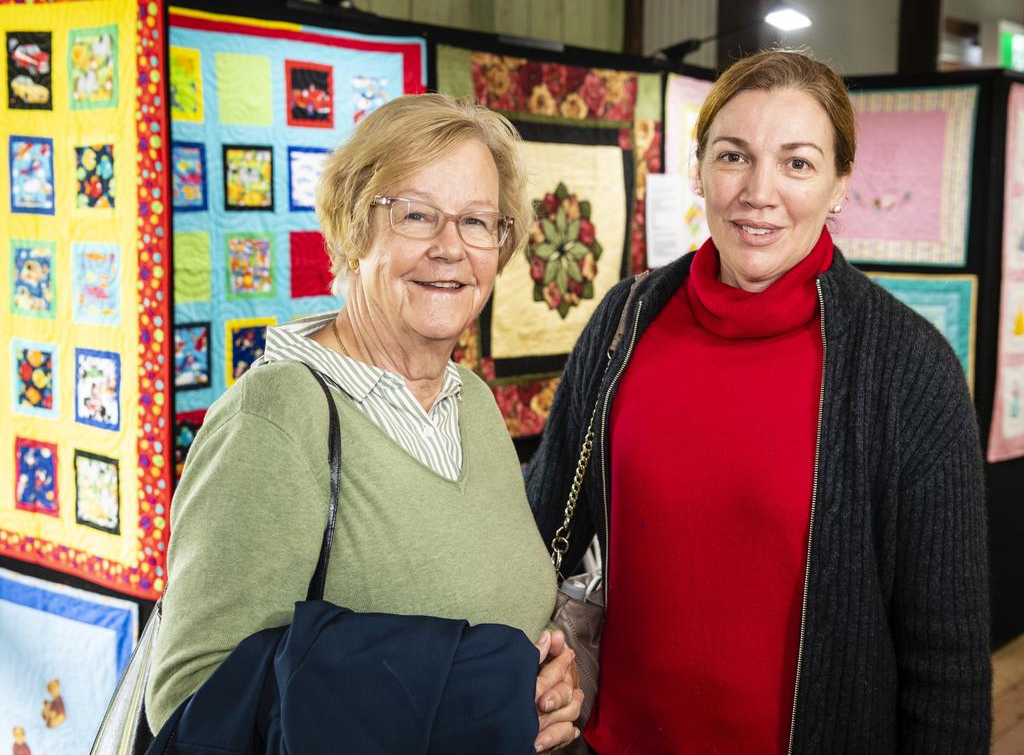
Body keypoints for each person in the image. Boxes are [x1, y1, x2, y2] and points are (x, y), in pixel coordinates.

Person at [528, 49, 990, 753]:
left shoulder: (905, 368)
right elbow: (538, 532)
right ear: (701, 169)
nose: (759, 191)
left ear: (840, 185)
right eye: (734, 155)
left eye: (798, 163)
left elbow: (946, 661)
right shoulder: (624, 325)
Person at [147, 93, 582, 751]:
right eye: (416, 216)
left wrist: (549, 684)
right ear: (353, 230)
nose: (449, 248)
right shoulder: (277, 418)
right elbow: (194, 701)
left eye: (476, 222)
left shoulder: (473, 403)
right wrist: (483, 696)